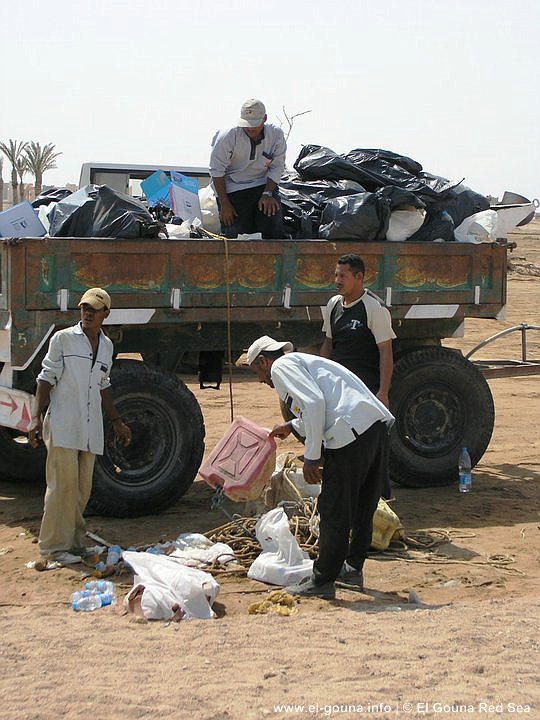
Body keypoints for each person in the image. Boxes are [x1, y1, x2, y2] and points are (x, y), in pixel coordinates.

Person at [247, 335, 394, 600]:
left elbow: (314, 404)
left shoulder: (281, 367)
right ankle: (352, 569)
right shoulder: (307, 363)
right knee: (363, 505)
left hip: (351, 435)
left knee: (333, 508)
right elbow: (322, 409)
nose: (260, 380)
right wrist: (291, 426)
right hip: (373, 429)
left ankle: (323, 579)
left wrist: (312, 457)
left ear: (263, 361)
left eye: (257, 372)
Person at [28, 288, 131, 566]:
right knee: (61, 488)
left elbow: (103, 384)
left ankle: (73, 544)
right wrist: (36, 418)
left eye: (93, 309)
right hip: (63, 423)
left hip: (90, 427)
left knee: (82, 489)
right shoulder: (63, 339)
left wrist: (117, 420)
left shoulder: (107, 346)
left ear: (105, 314)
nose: (87, 313)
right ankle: (52, 548)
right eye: (84, 308)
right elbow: (45, 378)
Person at [320, 253, 396, 409]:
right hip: (338, 387)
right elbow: (328, 343)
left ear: (359, 277)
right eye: (336, 275)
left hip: (364, 390)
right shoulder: (333, 304)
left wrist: (382, 393)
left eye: (343, 276)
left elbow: (386, 352)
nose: (337, 281)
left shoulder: (374, 308)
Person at [209, 98, 286, 239]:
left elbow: (277, 167)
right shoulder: (227, 136)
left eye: (255, 124)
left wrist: (268, 193)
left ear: (265, 119)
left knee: (271, 218)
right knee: (234, 235)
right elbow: (217, 172)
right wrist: (224, 204)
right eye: (247, 124)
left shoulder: (275, 135)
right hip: (232, 190)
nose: (251, 128)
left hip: (262, 187)